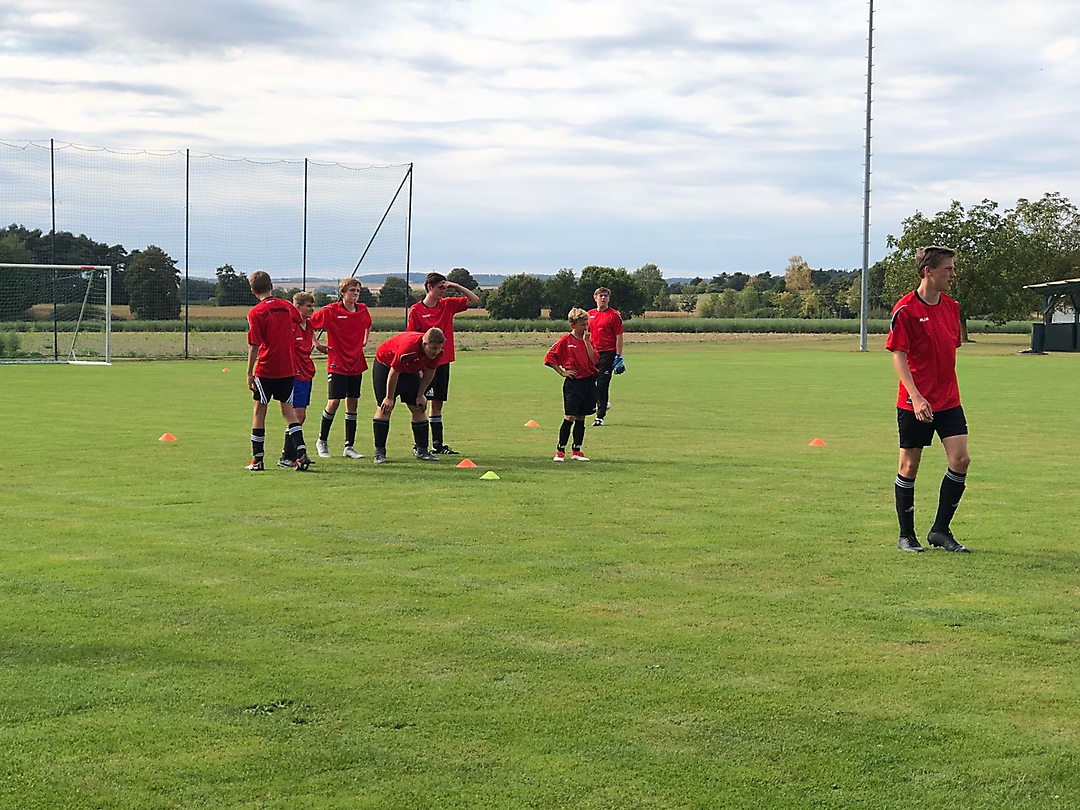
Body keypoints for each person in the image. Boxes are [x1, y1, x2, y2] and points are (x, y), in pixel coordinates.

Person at [886, 245, 971, 553]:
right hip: (915, 402)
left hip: (948, 400)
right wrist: (917, 397)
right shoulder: (905, 309)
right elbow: (899, 355)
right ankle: (906, 536)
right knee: (909, 466)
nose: (953, 274)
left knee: (960, 460)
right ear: (928, 272)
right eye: (948, 268)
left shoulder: (952, 307)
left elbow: (948, 349)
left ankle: (940, 531)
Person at [407, 272, 482, 454]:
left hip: (443, 362)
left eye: (445, 287)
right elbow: (410, 338)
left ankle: (437, 444)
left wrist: (455, 286)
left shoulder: (447, 305)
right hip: (425, 364)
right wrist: (417, 368)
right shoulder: (416, 310)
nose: (443, 291)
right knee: (421, 404)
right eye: (440, 287)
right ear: (429, 287)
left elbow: (475, 300)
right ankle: (420, 444)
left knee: (437, 403)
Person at [244, 271, 312, 472]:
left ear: (253, 290)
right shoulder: (286, 306)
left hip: (266, 368)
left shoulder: (255, 313)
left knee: (259, 413)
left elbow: (254, 345)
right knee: (289, 413)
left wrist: (249, 373)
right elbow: (297, 319)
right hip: (287, 368)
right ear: (272, 286)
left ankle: (257, 460)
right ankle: (301, 454)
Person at [310, 277, 372, 460]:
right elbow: (308, 323)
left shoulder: (363, 309)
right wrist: (316, 344)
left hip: (356, 364)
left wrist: (365, 340)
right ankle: (322, 441)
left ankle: (349, 446)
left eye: (358, 291)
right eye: (352, 290)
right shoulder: (331, 311)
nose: (355, 294)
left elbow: (368, 324)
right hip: (337, 363)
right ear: (342, 293)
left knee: (353, 403)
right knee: (334, 402)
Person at [370, 328, 446, 464]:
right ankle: (379, 453)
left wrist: (420, 395)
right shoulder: (408, 348)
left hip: (410, 370)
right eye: (434, 348)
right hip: (386, 366)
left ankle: (422, 451)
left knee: (418, 407)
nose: (436, 351)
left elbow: (430, 372)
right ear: (425, 344)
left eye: (439, 348)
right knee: (385, 408)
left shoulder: (438, 353)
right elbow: (394, 372)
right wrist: (389, 397)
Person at [277, 291, 327, 467]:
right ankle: (288, 455)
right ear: (297, 307)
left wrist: (321, 346)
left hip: (306, 372)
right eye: (308, 306)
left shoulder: (309, 325)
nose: (312, 309)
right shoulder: (290, 326)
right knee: (297, 415)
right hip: (294, 374)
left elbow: (313, 342)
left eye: (313, 306)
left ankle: (290, 454)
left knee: (301, 415)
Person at [544, 307, 598, 462]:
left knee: (581, 417)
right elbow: (549, 358)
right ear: (572, 325)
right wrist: (562, 372)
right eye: (582, 325)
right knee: (570, 416)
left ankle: (577, 450)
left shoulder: (589, 340)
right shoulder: (565, 340)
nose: (585, 328)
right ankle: (560, 450)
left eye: (586, 324)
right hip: (573, 384)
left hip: (589, 382)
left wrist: (587, 342)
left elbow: (594, 360)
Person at [587, 286, 624, 427]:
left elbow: (619, 336)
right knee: (589, 382)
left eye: (606, 296)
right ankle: (601, 402)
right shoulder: (589, 314)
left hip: (608, 353)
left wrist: (618, 355)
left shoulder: (614, 315)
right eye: (601, 295)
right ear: (595, 298)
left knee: (602, 383)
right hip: (592, 353)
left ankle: (600, 416)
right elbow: (585, 333)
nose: (603, 298)